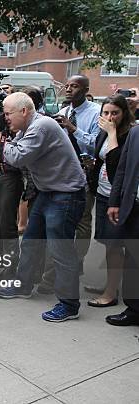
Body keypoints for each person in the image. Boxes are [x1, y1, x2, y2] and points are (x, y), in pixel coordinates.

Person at [0, 92, 86, 322]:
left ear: (24, 111)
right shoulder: (26, 129)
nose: (5, 117)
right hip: (49, 192)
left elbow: (16, 158)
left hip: (66, 194)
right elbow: (7, 154)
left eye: (8, 113)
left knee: (60, 250)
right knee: (30, 241)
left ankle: (69, 305)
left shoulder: (41, 127)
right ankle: (23, 286)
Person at [40, 75, 101, 293]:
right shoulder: (63, 112)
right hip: (61, 174)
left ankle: (75, 262)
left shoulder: (95, 112)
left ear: (85, 89)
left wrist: (73, 128)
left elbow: (97, 143)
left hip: (85, 174)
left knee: (82, 224)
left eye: (74, 86)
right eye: (67, 85)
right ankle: (62, 268)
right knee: (59, 224)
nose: (68, 89)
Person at [87, 95, 134, 307]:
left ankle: (111, 293)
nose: (109, 117)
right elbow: (100, 159)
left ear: (124, 113)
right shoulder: (102, 133)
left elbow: (117, 164)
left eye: (115, 112)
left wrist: (112, 132)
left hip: (121, 197)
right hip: (104, 194)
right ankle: (111, 284)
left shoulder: (128, 135)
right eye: (105, 112)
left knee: (115, 246)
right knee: (108, 243)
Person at [105, 125, 139, 326]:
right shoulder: (135, 133)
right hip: (134, 207)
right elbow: (123, 169)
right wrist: (114, 202)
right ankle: (135, 309)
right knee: (134, 259)